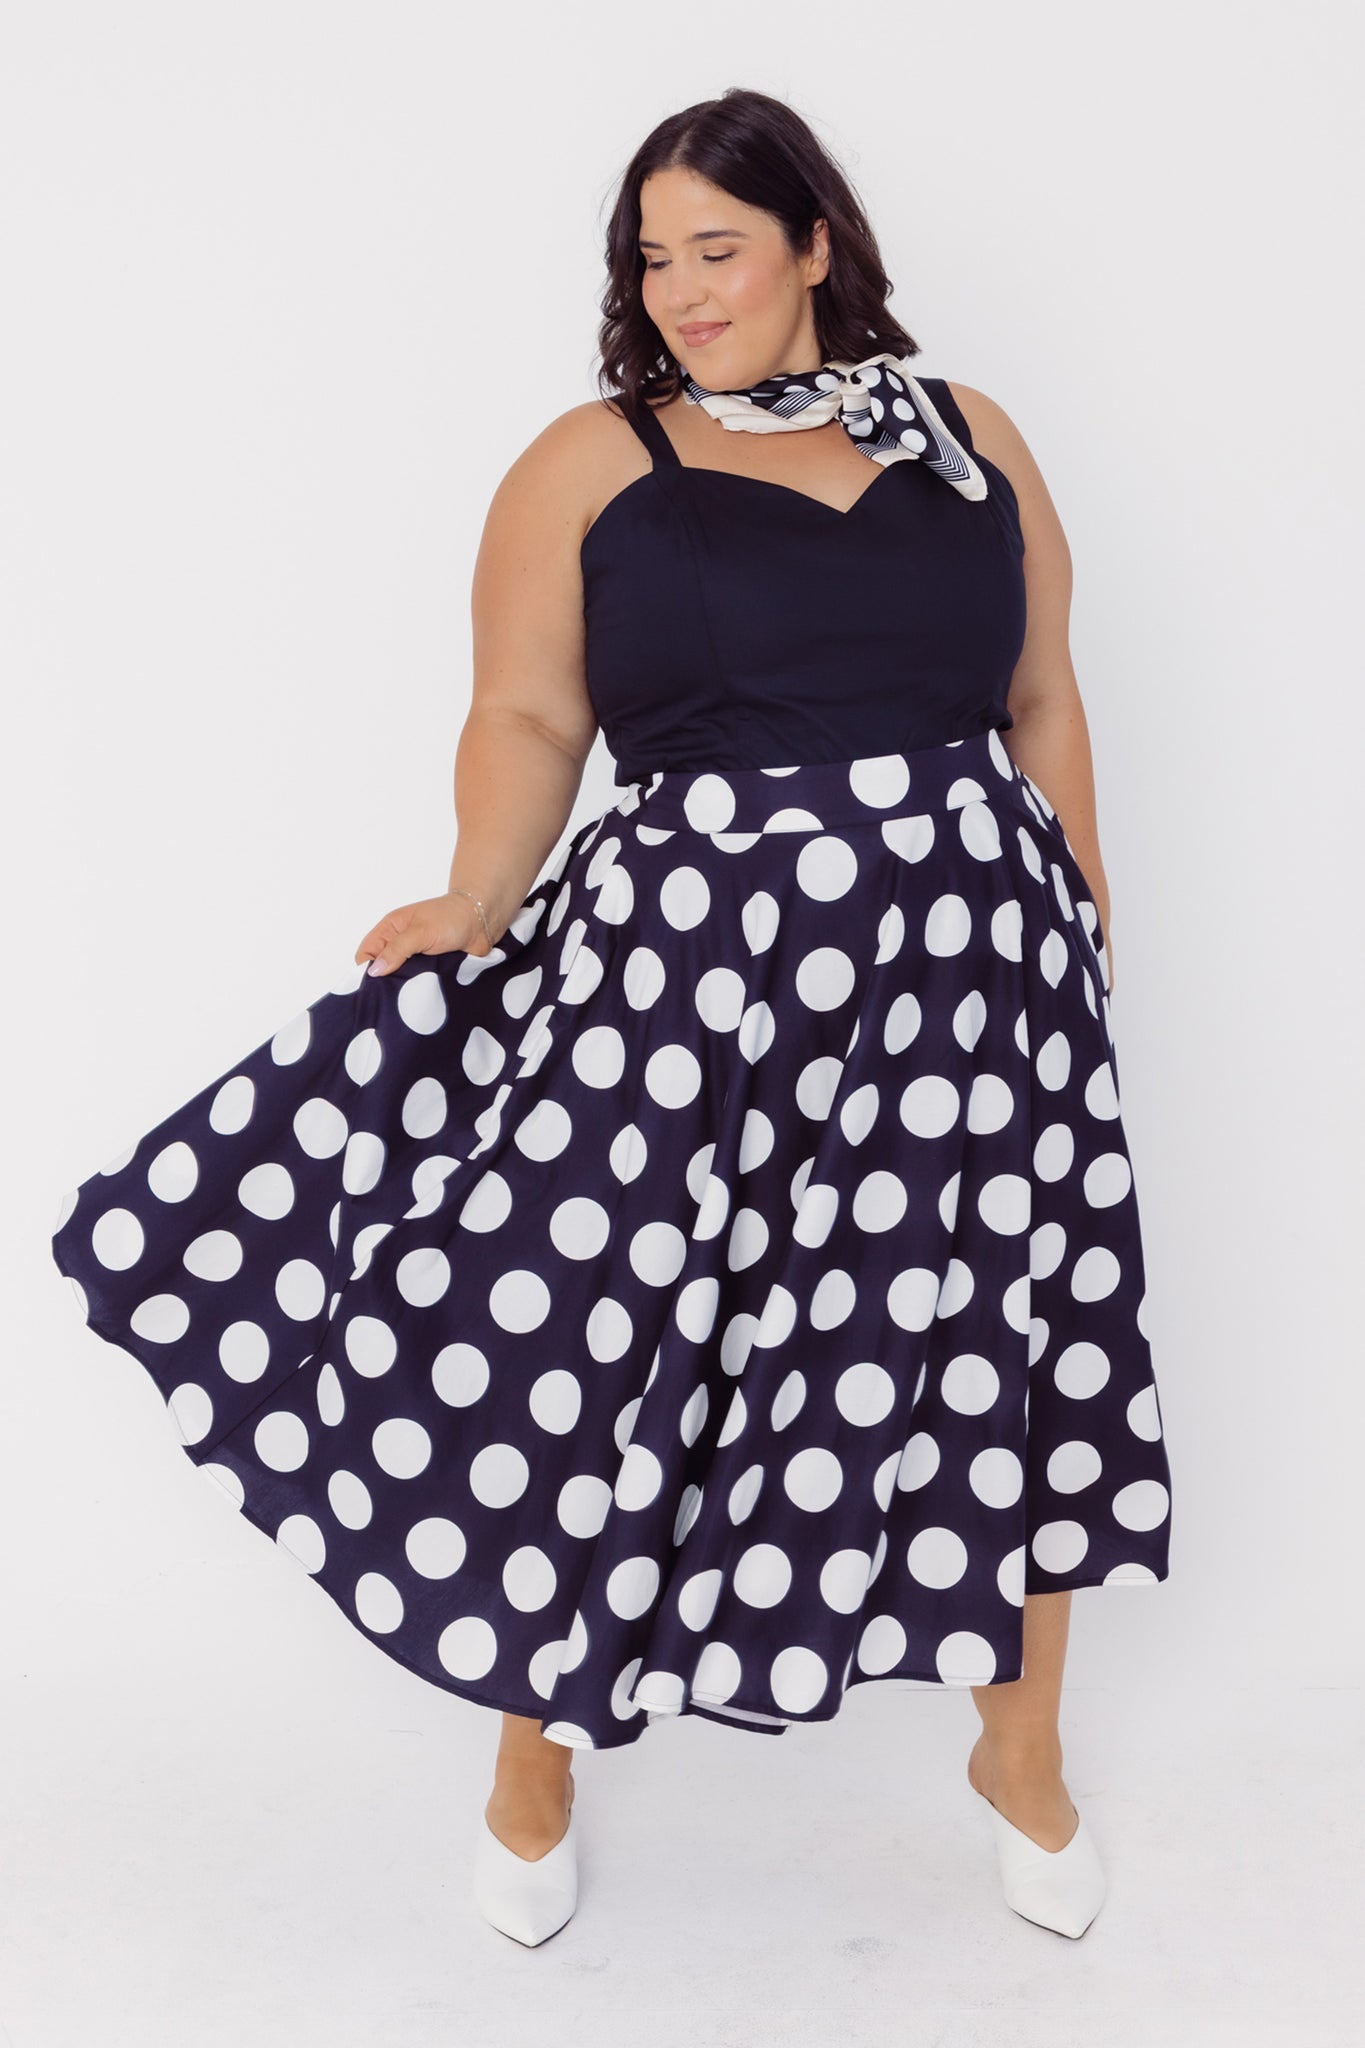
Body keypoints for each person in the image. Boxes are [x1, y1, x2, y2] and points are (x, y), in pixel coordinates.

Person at [51, 87, 1172, 1949]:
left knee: (1003, 1348)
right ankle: (533, 1751)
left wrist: (1082, 894)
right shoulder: (592, 459)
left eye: (716, 251)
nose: (680, 292)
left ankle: (1020, 1751)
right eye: (650, 261)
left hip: (976, 992)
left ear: (817, 244)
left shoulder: (971, 438)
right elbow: (524, 719)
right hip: (683, 993)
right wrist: (477, 894)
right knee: (585, 1343)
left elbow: (1040, 690)